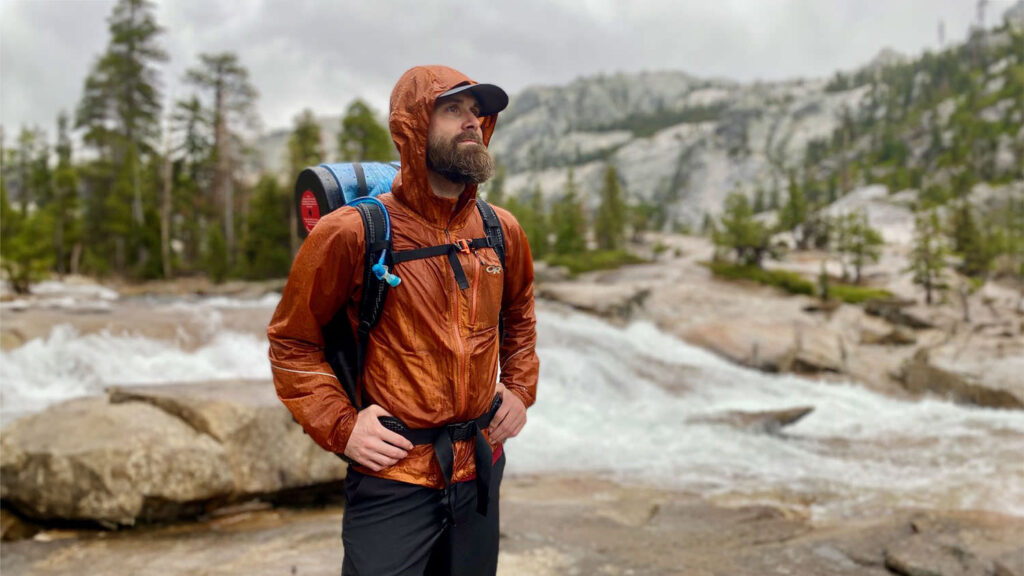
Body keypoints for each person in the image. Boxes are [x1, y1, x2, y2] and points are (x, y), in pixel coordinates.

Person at [267, 65, 539, 575]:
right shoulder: (351, 232)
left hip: (479, 467)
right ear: (411, 126)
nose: (471, 123)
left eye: (478, 113)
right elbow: (291, 344)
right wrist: (343, 426)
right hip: (393, 476)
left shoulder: (501, 230)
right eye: (452, 109)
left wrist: (520, 389)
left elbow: (519, 316)